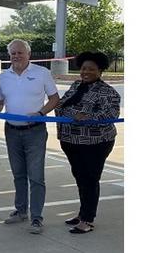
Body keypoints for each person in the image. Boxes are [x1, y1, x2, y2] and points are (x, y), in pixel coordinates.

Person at [0, 39, 59, 234]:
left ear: (28, 54)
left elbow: (54, 98)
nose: (16, 56)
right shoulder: (4, 76)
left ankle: (36, 217)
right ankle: (20, 211)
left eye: (20, 53)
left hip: (35, 131)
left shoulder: (42, 73)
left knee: (36, 177)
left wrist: (42, 113)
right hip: (11, 131)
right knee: (18, 174)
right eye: (13, 54)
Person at [55, 51, 120, 234]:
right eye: (84, 68)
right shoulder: (76, 85)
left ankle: (87, 220)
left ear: (100, 70)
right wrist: (76, 116)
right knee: (80, 178)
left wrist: (87, 117)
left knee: (90, 179)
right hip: (70, 140)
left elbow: (110, 114)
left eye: (91, 69)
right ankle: (83, 213)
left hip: (95, 143)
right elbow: (60, 106)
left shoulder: (108, 92)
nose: (86, 72)